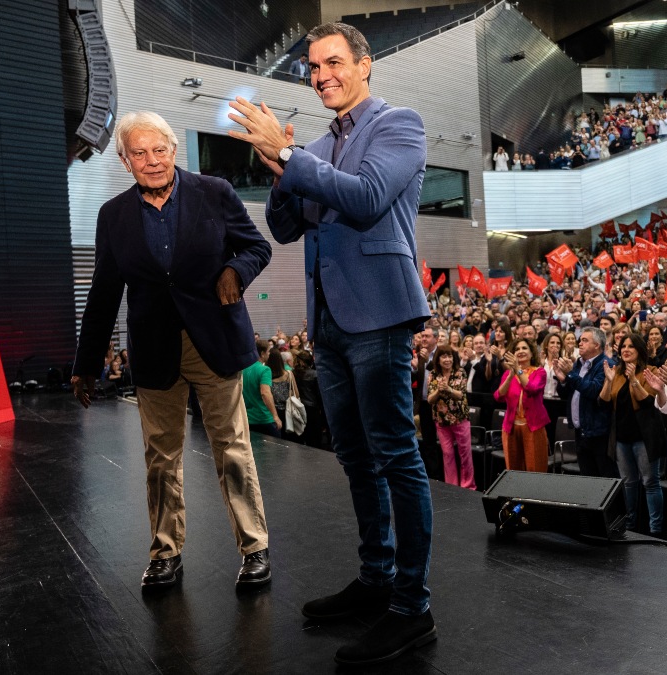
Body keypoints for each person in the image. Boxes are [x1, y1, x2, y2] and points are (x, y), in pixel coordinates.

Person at [228, 22, 436, 664]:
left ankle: (411, 606)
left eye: (333, 62)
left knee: (396, 455)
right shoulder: (316, 143)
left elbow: (369, 197)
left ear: (364, 65)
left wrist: (293, 160)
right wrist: (277, 168)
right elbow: (287, 226)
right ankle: (376, 579)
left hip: (379, 315)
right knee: (353, 455)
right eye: (312, 67)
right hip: (331, 323)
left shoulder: (400, 124)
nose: (321, 75)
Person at [71, 110, 272, 591]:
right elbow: (102, 295)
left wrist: (235, 273)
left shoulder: (215, 193)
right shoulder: (113, 215)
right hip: (155, 351)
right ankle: (165, 552)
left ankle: (255, 547)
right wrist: (86, 364)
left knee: (233, 451)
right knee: (161, 459)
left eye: (159, 149)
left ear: (173, 151)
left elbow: (256, 248)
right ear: (125, 162)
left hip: (214, 343)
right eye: (139, 153)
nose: (152, 160)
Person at [600, 334, 666, 535]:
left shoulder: (651, 372)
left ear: (639, 351)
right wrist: (608, 381)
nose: (626, 349)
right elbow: (602, 402)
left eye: (631, 346)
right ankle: (630, 526)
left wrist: (634, 381)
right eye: (623, 346)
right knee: (628, 483)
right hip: (621, 437)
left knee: (650, 483)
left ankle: (655, 529)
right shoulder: (616, 373)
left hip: (644, 437)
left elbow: (647, 403)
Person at [555, 327, 618, 478]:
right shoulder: (578, 363)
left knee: (603, 478)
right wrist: (563, 380)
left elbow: (593, 391)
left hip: (599, 431)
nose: (580, 343)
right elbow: (567, 394)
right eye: (580, 340)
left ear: (597, 345)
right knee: (586, 477)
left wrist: (570, 374)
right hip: (580, 430)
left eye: (585, 340)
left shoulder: (606, 364)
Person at [494, 338, 550, 472]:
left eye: (524, 348)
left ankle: (533, 494)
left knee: (535, 468)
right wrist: (510, 376)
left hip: (533, 427)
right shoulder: (508, 373)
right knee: (513, 469)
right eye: (517, 349)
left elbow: (532, 389)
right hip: (511, 427)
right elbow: (498, 396)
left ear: (532, 354)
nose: (520, 351)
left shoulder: (539, 372)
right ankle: (515, 494)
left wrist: (518, 370)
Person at [427, 348, 475, 489]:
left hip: (460, 419)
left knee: (465, 454)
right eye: (444, 357)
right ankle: (451, 487)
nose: (447, 360)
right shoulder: (433, 374)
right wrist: (438, 390)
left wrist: (448, 389)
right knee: (447, 455)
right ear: (438, 360)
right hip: (442, 421)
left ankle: (468, 486)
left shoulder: (460, 372)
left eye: (449, 356)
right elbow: (430, 399)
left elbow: (461, 395)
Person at [243, 339, 283, 437]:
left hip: (248, 418)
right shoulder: (265, 370)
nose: (269, 354)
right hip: (264, 418)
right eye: (268, 351)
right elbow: (265, 393)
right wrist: (275, 416)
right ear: (262, 353)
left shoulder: (243, 369)